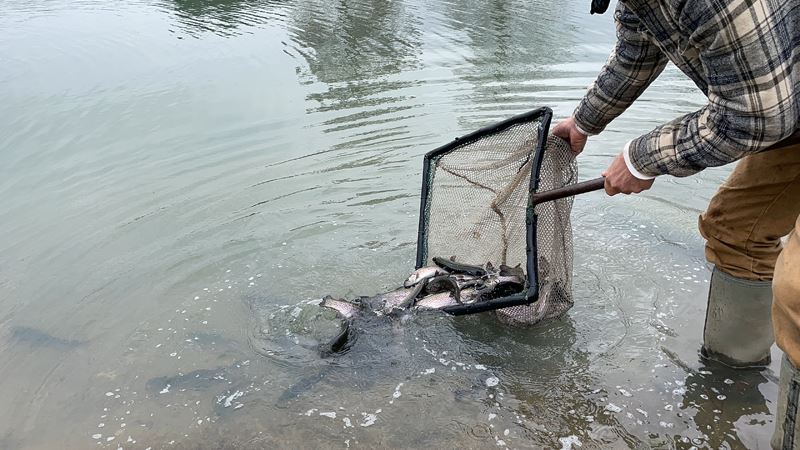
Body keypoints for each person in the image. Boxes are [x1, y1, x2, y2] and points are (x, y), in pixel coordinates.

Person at [550, 0, 799, 447]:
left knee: (797, 290)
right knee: (735, 230)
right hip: (788, 111)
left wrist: (642, 159)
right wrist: (585, 121)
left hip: (775, 110)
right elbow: (637, 49)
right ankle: (735, 386)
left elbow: (756, 117)